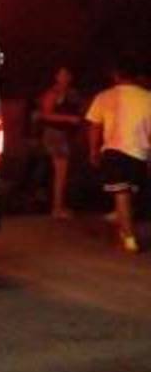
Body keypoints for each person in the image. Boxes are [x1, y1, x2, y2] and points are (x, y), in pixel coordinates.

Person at [85, 55, 151, 253]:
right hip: (139, 152)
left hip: (114, 150)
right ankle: (124, 228)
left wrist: (93, 149)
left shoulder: (104, 96)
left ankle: (128, 237)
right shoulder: (147, 97)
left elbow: (94, 126)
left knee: (122, 193)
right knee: (128, 192)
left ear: (116, 75)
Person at [37, 66, 84, 218]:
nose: (65, 78)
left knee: (64, 172)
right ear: (56, 77)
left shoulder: (71, 93)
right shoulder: (53, 93)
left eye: (67, 74)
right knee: (61, 172)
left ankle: (59, 205)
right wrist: (68, 119)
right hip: (55, 134)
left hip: (66, 134)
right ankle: (57, 208)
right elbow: (45, 115)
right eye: (62, 75)